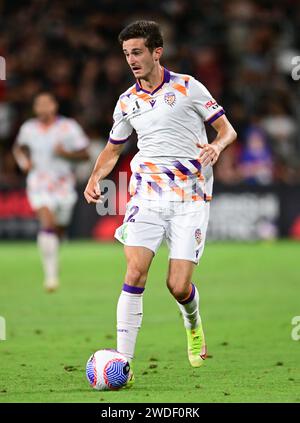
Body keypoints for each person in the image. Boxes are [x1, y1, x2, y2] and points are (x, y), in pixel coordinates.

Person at [84, 21, 237, 383]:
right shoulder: (127, 102)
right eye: (126, 54)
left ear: (156, 51)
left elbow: (227, 129)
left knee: (178, 286)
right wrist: (95, 177)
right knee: (135, 270)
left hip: (190, 198)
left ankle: (192, 321)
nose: (132, 60)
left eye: (137, 52)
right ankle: (122, 361)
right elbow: (112, 149)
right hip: (147, 195)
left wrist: (216, 146)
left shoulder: (188, 87)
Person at [14, 92, 89, 292]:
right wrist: (24, 163)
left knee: (59, 229)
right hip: (38, 183)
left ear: (54, 106)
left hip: (63, 185)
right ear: (35, 108)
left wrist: (66, 154)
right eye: (39, 104)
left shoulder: (68, 127)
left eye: (47, 104)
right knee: (46, 223)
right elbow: (18, 148)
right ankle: (51, 276)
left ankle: (54, 248)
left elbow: (85, 154)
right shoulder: (28, 128)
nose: (43, 108)